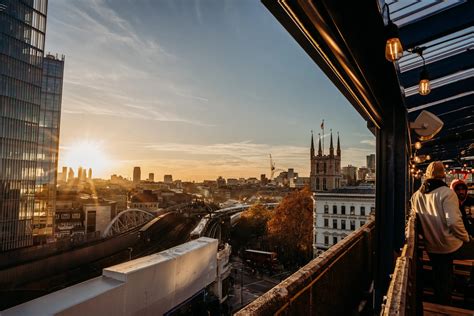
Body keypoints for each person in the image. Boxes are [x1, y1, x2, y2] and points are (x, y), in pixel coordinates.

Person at [411, 161, 469, 304]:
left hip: (431, 246)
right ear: (443, 176)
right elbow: (454, 222)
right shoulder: (447, 193)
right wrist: (466, 237)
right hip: (449, 246)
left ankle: (442, 299)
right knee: (444, 276)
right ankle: (448, 302)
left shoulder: (416, 196)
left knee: (441, 274)